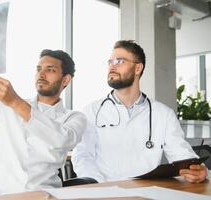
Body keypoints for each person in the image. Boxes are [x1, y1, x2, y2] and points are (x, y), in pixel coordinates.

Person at [0, 18, 87, 196]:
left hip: (41, 195)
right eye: (38, 68)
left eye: (50, 69)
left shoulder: (74, 118)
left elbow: (61, 139)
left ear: (66, 79)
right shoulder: (7, 105)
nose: (41, 74)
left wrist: (14, 101)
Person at [71, 40, 207, 184]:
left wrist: (197, 169)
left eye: (119, 61)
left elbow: (181, 154)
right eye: (110, 62)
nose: (112, 66)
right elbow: (83, 156)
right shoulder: (92, 111)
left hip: (147, 191)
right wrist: (100, 186)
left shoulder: (163, 114)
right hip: (105, 190)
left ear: (138, 68)